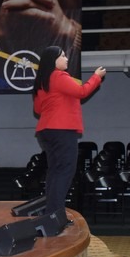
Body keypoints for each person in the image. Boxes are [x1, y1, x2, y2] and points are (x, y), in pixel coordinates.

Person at [32, 46, 106, 214]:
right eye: (63, 56)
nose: (66, 59)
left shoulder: (42, 81)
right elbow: (82, 91)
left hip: (46, 131)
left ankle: (51, 212)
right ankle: (56, 214)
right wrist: (96, 77)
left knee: (55, 171)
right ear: (54, 60)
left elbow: (38, 109)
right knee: (65, 170)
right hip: (62, 130)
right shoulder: (58, 76)